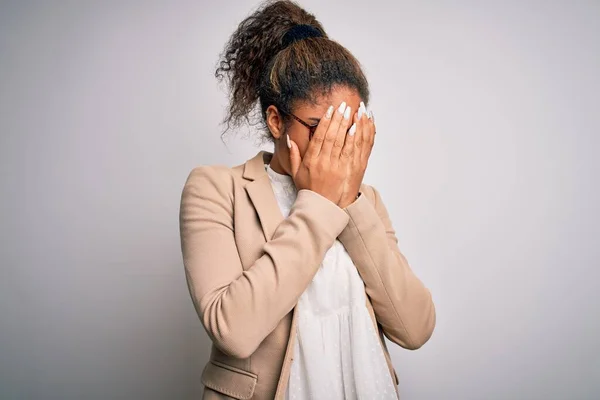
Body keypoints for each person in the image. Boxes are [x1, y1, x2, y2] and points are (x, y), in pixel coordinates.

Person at [179, 1, 436, 399]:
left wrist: (347, 199)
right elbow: (234, 330)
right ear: (276, 121)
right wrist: (318, 202)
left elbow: (415, 328)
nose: (336, 143)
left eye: (347, 128)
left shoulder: (366, 201)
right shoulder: (215, 189)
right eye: (320, 127)